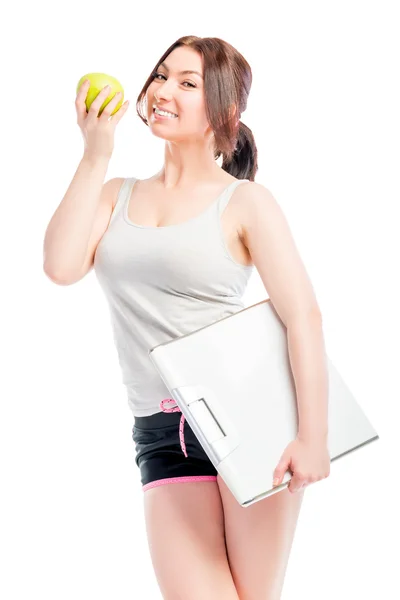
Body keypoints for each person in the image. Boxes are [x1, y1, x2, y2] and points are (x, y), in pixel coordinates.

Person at [43, 35, 330, 600]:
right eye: (160, 76)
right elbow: (59, 266)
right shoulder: (115, 194)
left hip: (252, 422)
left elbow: (304, 317)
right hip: (161, 429)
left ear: (223, 112)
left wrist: (313, 438)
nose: (163, 90)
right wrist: (96, 150)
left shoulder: (245, 201)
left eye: (187, 82)